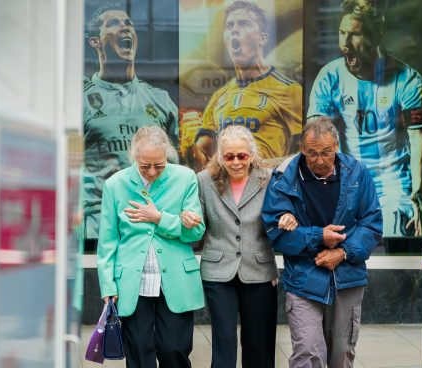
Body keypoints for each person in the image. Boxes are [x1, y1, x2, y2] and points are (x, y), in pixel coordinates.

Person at [262, 117, 383, 367]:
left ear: (336, 146)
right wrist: (319, 236)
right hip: (304, 278)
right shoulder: (285, 177)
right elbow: (276, 232)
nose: (319, 160)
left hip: (347, 276)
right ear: (303, 149)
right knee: (308, 352)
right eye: (312, 153)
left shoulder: (357, 172)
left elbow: (371, 223)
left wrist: (343, 252)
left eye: (326, 153)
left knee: (341, 354)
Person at [307, 0, 422, 237]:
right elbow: (316, 139)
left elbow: (418, 140)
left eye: (355, 35)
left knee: (393, 233)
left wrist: (417, 195)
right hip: (347, 185)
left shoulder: (408, 80)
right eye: (342, 33)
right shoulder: (329, 77)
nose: (345, 43)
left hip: (394, 186)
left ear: (375, 36)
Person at [97, 126, 205, 368]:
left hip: (175, 278)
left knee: (174, 349)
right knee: (139, 352)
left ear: (168, 155)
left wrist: (159, 218)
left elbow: (195, 233)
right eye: (146, 166)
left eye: (160, 164)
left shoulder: (185, 178)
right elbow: (107, 242)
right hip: (131, 281)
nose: (153, 171)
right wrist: (107, 285)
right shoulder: (115, 185)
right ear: (134, 158)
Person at [82, 1, 178, 250]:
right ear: (95, 41)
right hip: (97, 222)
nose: (124, 28)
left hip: (152, 220)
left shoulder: (161, 100)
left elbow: (176, 169)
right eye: (113, 23)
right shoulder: (79, 100)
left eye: (129, 23)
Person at [193, 125, 279, 367]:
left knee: (259, 344)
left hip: (259, 269)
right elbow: (197, 232)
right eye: (229, 156)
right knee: (224, 342)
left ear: (252, 154)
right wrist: (188, 221)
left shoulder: (269, 179)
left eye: (242, 155)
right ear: (220, 156)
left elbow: (277, 221)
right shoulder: (204, 180)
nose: (236, 162)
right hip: (218, 272)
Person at [186, 0, 302, 171]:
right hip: (226, 193)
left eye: (244, 24)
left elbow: (306, 154)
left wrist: (261, 167)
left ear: (263, 37)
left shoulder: (288, 90)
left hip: (266, 191)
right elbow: (201, 163)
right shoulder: (219, 97)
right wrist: (189, 145)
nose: (234, 29)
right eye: (229, 25)